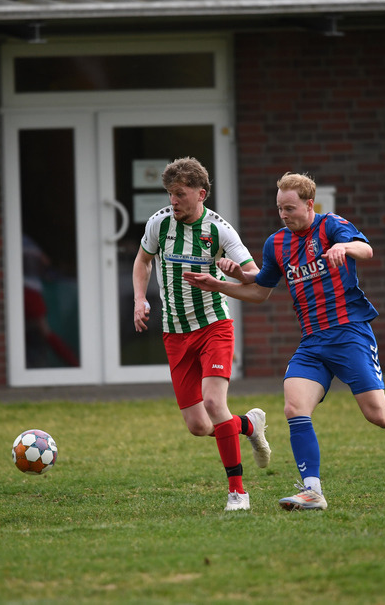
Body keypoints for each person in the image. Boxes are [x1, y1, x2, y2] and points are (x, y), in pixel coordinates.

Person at [184, 172, 385, 511]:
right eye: (280, 209)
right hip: (312, 342)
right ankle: (311, 490)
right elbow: (260, 289)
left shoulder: (331, 226)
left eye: (290, 208)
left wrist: (344, 246)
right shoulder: (277, 243)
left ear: (310, 204)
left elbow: (366, 249)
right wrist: (224, 281)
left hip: (349, 334)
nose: (284, 215)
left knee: (378, 414)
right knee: (294, 407)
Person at [132, 157, 271, 512]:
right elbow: (143, 261)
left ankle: (237, 493)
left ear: (201, 194)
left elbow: (256, 275)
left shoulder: (220, 230)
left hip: (213, 327)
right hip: (175, 333)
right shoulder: (159, 224)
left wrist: (232, 271)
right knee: (198, 426)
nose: (173, 201)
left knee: (213, 403)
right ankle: (248, 425)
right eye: (169, 194)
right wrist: (139, 300)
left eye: (179, 194)